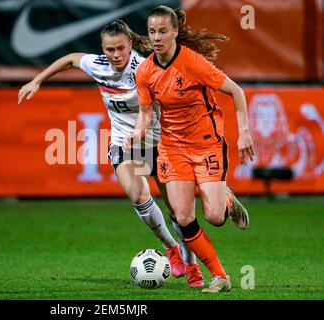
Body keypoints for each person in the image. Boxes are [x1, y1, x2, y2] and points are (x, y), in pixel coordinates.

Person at [18, 20, 204, 287]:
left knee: (179, 211)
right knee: (138, 195)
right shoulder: (99, 65)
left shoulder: (146, 68)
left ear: (130, 45)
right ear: (102, 50)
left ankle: (192, 266)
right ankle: (171, 248)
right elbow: (71, 59)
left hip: (162, 145)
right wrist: (37, 80)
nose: (115, 55)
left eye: (120, 48)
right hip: (125, 145)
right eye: (109, 50)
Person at [123, 6, 254, 293]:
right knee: (182, 217)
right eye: (152, 31)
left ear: (175, 32)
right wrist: (136, 135)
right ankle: (220, 276)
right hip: (172, 147)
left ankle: (226, 200)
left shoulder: (193, 63)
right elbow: (146, 113)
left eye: (163, 31)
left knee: (215, 217)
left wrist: (244, 132)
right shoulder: (145, 71)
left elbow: (237, 91)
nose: (156, 37)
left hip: (207, 143)